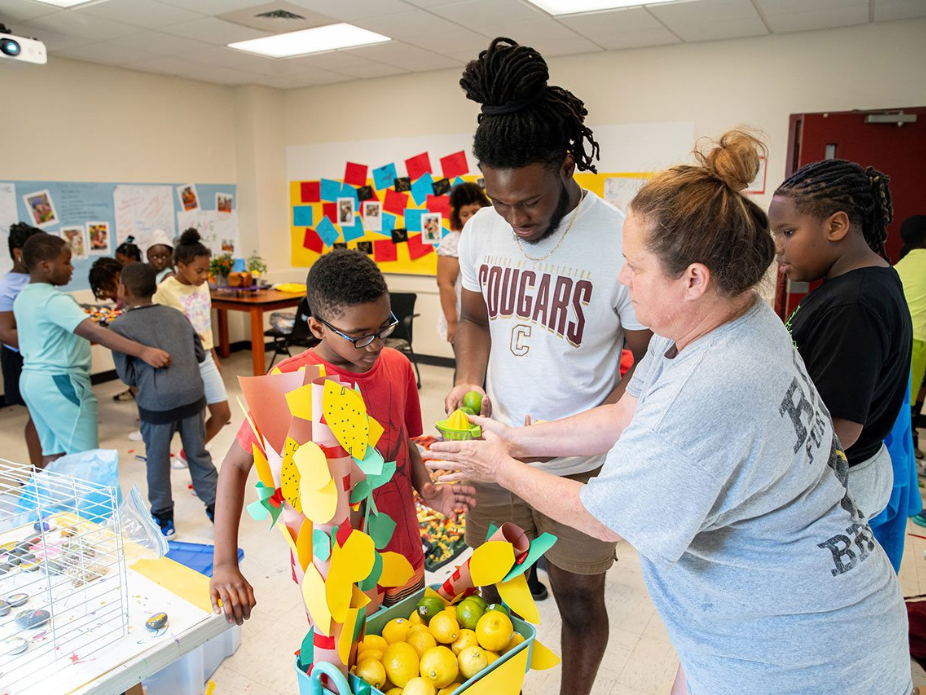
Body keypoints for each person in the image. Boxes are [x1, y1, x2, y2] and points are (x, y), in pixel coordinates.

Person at [429, 130, 911, 695]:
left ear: (693, 279)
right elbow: (620, 415)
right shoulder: (720, 317)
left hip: (803, 655)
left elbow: (606, 516)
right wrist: (512, 440)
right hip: (757, 620)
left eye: (634, 266)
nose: (621, 278)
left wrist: (501, 469)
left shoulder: (708, 392)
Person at [445, 37, 652, 695]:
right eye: (499, 202)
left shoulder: (618, 239)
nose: (515, 218)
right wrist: (467, 381)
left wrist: (612, 434)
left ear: (566, 164)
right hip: (492, 449)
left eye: (527, 202)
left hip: (579, 465)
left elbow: (642, 357)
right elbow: (474, 319)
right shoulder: (480, 232)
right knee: (494, 588)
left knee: (579, 601)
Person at [209, 250, 476, 625]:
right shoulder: (288, 382)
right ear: (317, 327)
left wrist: (427, 489)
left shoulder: (397, 366)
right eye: (359, 336)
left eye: (385, 327)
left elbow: (405, 442)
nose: (376, 345)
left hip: (402, 550)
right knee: (346, 666)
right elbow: (235, 465)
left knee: (403, 648)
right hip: (332, 570)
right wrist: (224, 563)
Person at [771, 161, 912, 522]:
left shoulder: (855, 303)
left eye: (788, 232)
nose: (778, 248)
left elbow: (840, 429)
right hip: (834, 471)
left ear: (836, 225)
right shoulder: (855, 282)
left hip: (835, 482)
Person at [13, 234, 170, 467]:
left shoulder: (24, 297)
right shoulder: (55, 300)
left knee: (53, 452)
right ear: (46, 266)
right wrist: (143, 351)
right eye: (66, 262)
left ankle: (49, 502)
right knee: (86, 458)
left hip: (32, 381)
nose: (72, 267)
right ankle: (91, 505)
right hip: (60, 382)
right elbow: (97, 333)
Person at [109, 263, 218, 538]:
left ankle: (163, 518)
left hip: (156, 404)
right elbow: (199, 353)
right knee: (197, 453)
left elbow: (127, 375)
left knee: (157, 459)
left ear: (122, 289)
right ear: (155, 289)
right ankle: (217, 507)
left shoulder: (119, 326)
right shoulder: (176, 315)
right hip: (193, 395)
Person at [154, 229, 230, 468]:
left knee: (222, 414)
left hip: (205, 356)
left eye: (207, 270)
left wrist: (214, 356)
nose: (204, 276)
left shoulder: (202, 286)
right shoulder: (164, 290)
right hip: (181, 363)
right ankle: (196, 460)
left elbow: (204, 324)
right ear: (180, 266)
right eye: (199, 271)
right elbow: (157, 331)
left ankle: (190, 452)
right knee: (192, 418)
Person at [0, 223, 45, 466]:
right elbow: (6, 333)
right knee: (38, 416)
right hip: (22, 359)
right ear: (19, 252)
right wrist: (46, 341)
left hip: (42, 355)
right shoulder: (6, 286)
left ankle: (50, 466)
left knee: (48, 415)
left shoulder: (37, 278)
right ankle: (38, 473)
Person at [436, 182, 490, 344]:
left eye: (475, 211)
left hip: (492, 316)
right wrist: (452, 322)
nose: (471, 218)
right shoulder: (453, 242)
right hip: (464, 317)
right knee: (468, 366)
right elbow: (444, 283)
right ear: (458, 218)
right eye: (465, 214)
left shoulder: (495, 236)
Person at [895, 214, 926, 455]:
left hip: (901, 337)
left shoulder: (898, 265)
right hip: (920, 340)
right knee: (909, 403)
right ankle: (908, 451)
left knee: (902, 400)